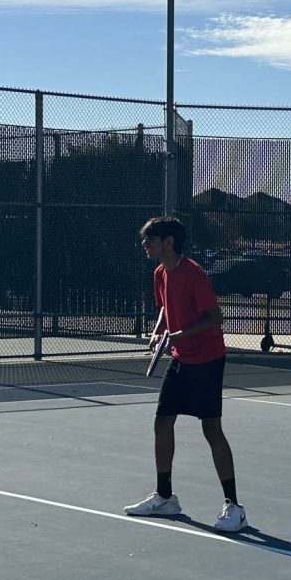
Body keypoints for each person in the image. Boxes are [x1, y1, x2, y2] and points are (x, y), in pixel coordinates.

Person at [123, 216, 247, 533]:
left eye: (150, 239)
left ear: (169, 242)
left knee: (211, 430)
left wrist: (181, 333)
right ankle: (165, 497)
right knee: (162, 421)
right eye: (144, 239)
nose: (144, 244)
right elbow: (165, 308)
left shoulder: (194, 274)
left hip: (207, 359)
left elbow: (214, 318)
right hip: (181, 359)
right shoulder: (160, 273)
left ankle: (235, 507)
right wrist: (159, 331)